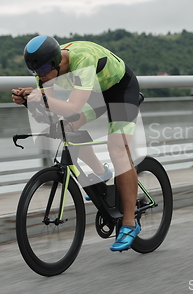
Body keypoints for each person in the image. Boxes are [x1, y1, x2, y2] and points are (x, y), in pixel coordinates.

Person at [11, 35, 141, 251]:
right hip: (94, 93)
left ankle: (129, 223)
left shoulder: (83, 60)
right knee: (65, 127)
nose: (40, 76)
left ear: (57, 62)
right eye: (34, 72)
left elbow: (73, 107)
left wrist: (41, 98)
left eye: (43, 69)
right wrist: (28, 101)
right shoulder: (43, 72)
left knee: (117, 148)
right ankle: (101, 173)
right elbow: (50, 112)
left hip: (120, 90)